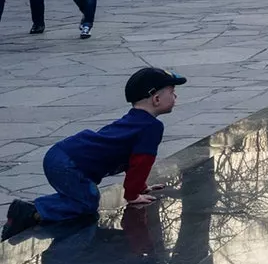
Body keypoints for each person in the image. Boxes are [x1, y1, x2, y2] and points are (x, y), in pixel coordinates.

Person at [3, 67, 186, 239]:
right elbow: (140, 162)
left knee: (80, 196)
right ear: (156, 99)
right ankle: (31, 212)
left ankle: (36, 209)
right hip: (69, 164)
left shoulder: (135, 120)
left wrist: (139, 186)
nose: (175, 95)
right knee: (87, 203)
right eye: (171, 91)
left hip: (62, 155)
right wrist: (132, 195)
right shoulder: (151, 127)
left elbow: (130, 158)